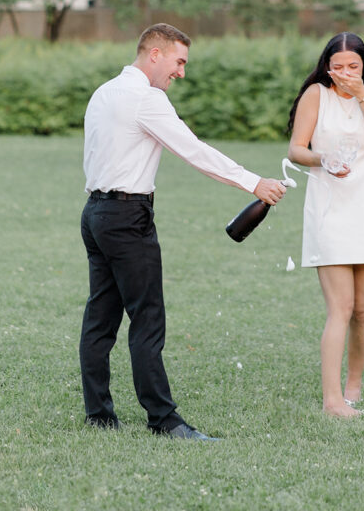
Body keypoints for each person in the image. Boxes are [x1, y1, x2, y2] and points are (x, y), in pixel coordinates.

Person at [79, 23, 286, 440]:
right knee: (147, 319)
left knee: (101, 317)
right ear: (154, 54)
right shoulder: (146, 99)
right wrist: (254, 183)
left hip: (95, 214)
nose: (182, 72)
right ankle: (164, 420)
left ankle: (99, 414)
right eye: (179, 61)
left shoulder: (104, 92)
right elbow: (194, 150)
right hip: (127, 217)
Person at [287, 31, 364, 418]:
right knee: (342, 307)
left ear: (363, 66)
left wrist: (363, 96)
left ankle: (353, 386)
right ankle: (332, 402)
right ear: (326, 67)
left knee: (363, 309)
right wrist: (324, 159)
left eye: (354, 66)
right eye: (338, 67)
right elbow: (296, 148)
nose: (345, 73)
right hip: (329, 209)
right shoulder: (316, 95)